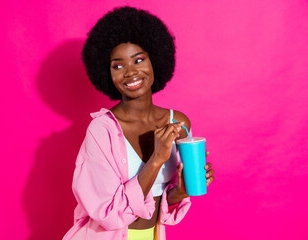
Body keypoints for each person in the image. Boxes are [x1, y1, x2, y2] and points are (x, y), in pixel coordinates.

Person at [63, 6, 215, 240]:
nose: (130, 72)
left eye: (139, 60)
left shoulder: (178, 123)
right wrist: (156, 160)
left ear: (155, 60)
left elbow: (162, 204)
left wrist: (181, 191)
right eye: (118, 65)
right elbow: (110, 214)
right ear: (107, 73)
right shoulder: (102, 130)